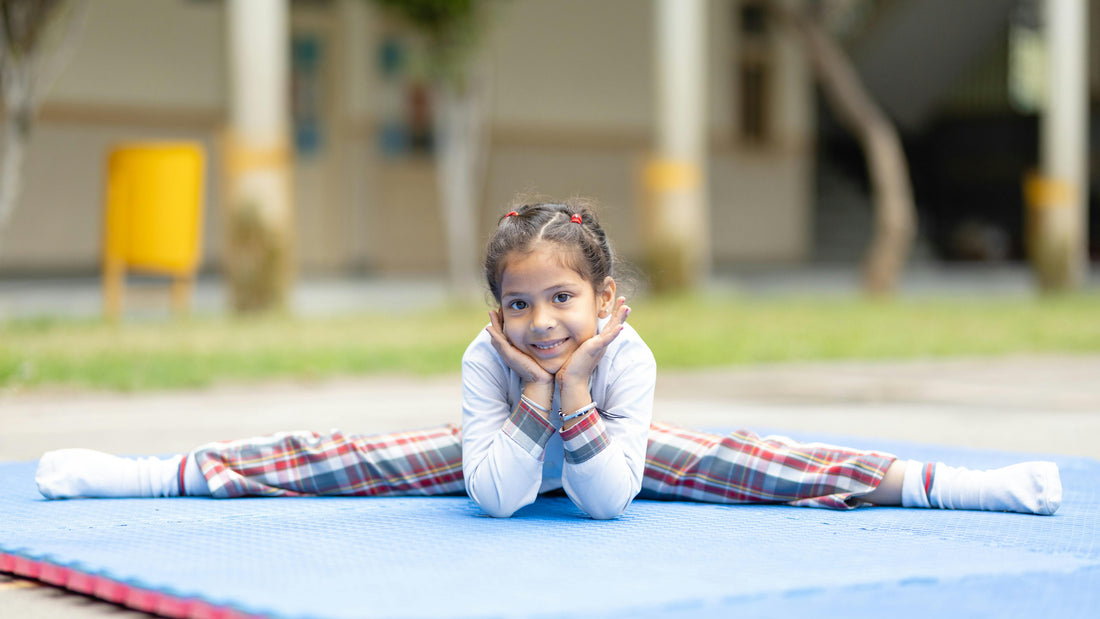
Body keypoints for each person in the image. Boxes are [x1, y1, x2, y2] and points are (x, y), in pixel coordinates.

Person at [35, 199, 1062, 519]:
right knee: (332, 453)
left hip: (617, 448)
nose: (538, 320)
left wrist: (571, 391)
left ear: (605, 301)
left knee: (764, 460)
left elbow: (610, 496)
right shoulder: (491, 360)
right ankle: (143, 474)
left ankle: (952, 487)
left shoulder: (628, 356)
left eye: (561, 300)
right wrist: (533, 395)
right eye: (518, 304)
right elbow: (496, 499)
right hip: (508, 452)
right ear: (496, 309)